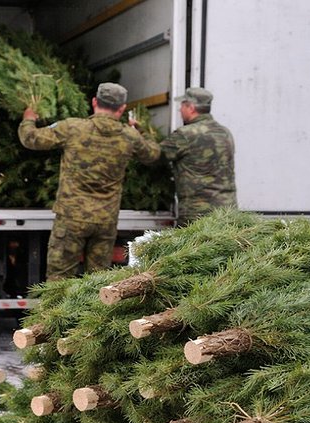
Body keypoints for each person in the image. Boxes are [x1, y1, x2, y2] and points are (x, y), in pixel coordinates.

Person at [19, 82, 161, 281]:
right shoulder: (129, 137)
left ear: (94, 102)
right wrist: (140, 131)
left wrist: (28, 119)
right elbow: (153, 154)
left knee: (58, 281)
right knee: (97, 282)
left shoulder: (73, 128)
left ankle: (55, 313)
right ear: (121, 109)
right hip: (105, 221)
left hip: (71, 217)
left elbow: (31, 139)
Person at [160, 87, 236, 225]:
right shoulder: (225, 132)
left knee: (197, 247)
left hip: (197, 213)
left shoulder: (186, 134)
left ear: (191, 108)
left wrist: (137, 135)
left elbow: (156, 156)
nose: (179, 110)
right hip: (227, 211)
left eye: (182, 106)